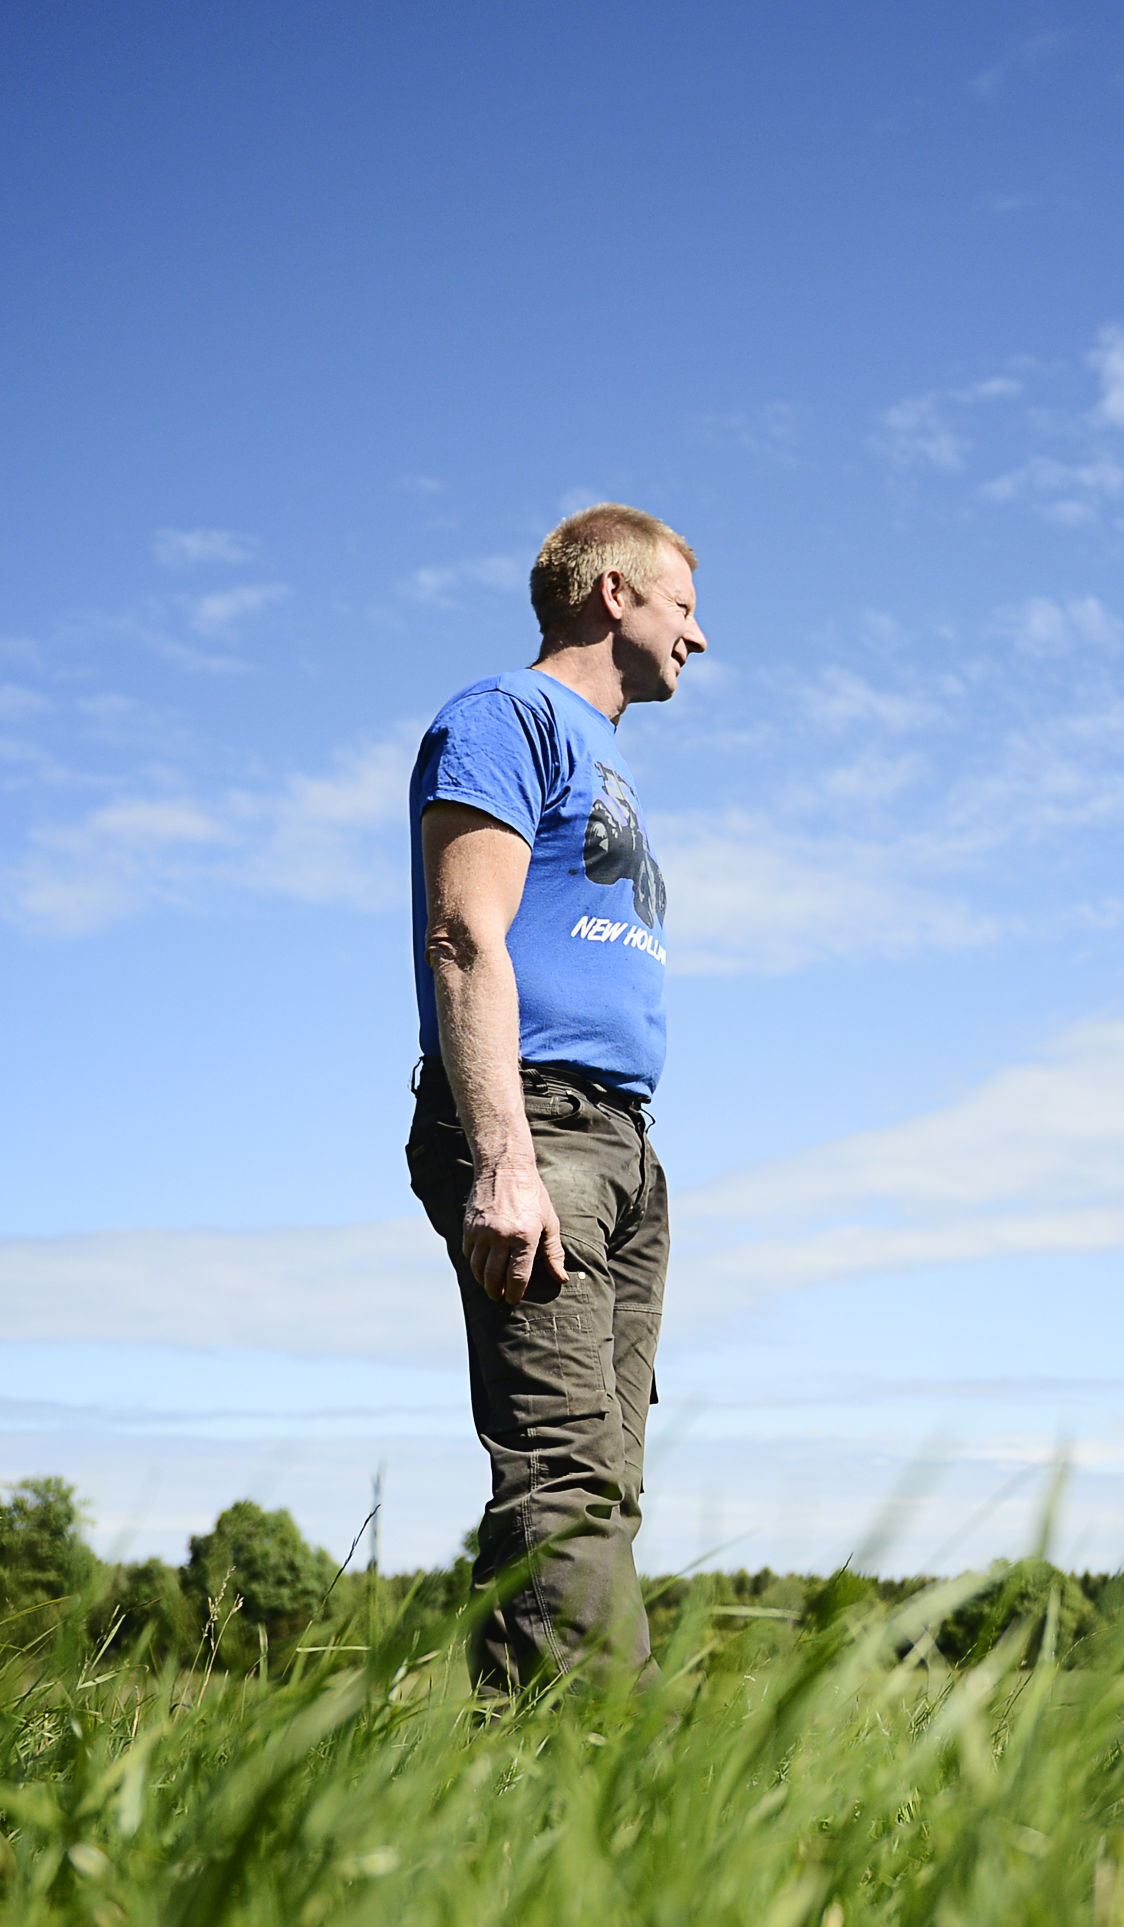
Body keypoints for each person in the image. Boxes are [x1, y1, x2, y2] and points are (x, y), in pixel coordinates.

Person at [405, 504, 705, 1688]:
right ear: (615, 594)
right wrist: (505, 1158)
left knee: (601, 1484)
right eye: (684, 603)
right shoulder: (505, 716)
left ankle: (507, 1799)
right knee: (566, 1480)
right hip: (541, 1128)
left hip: (622, 1146)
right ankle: (592, 1785)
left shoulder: (604, 753)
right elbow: (464, 931)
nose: (699, 634)